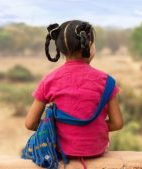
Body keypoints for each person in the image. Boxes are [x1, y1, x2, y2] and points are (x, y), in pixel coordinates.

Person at [24, 20, 123, 166]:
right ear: (89, 45)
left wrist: (62, 128)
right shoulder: (106, 81)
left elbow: (30, 123)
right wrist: (92, 127)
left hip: (61, 152)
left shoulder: (49, 80)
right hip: (96, 151)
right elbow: (117, 123)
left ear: (60, 49)